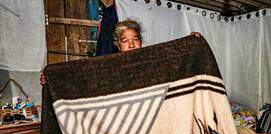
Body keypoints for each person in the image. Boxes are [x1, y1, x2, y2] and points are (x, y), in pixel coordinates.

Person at [40, 19, 201, 85]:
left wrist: (190, 44)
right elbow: (82, 77)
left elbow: (175, 62)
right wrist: (53, 79)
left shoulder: (152, 61)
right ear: (119, 45)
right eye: (125, 41)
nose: (131, 44)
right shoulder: (110, 65)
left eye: (135, 39)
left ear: (141, 41)